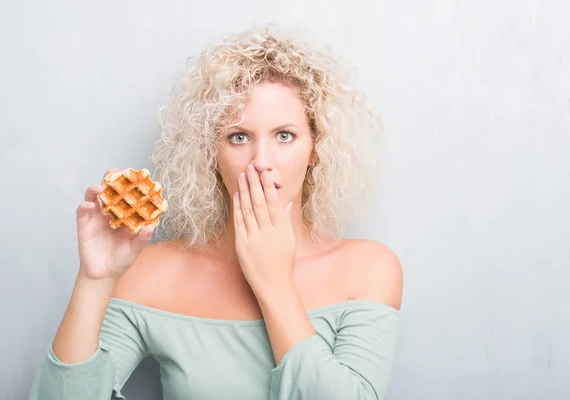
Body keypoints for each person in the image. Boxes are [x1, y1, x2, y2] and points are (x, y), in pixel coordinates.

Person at [29, 24, 403, 400]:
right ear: (211, 154)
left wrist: (274, 285)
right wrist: (95, 282)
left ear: (316, 149)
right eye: (238, 137)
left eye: (284, 135)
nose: (261, 162)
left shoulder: (368, 270)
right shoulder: (149, 273)